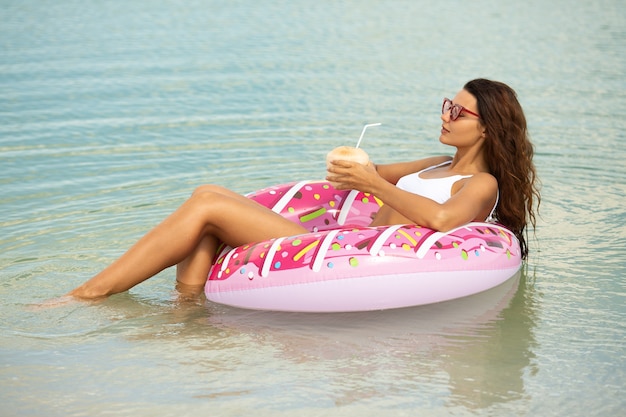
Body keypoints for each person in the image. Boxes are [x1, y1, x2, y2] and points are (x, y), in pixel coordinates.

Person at [67, 78, 540, 300]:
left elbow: (442, 220)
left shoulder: (481, 183)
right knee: (209, 205)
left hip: (338, 254)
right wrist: (354, 167)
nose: (445, 116)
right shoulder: (437, 161)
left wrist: (374, 183)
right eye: (446, 105)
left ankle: (91, 293)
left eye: (458, 113)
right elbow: (367, 169)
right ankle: (186, 314)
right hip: (332, 242)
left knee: (209, 202)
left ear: (486, 129)